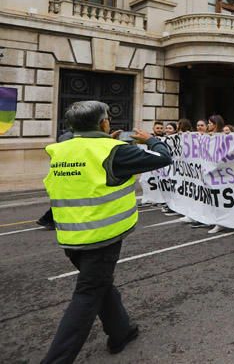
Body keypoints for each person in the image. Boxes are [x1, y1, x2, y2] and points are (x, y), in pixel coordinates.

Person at [40, 101, 172, 363]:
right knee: (88, 295)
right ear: (103, 123)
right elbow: (163, 158)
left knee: (100, 283)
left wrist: (103, 140)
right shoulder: (114, 150)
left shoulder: (60, 148)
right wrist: (152, 139)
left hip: (69, 235)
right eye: (107, 119)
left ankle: (121, 331)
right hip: (100, 237)